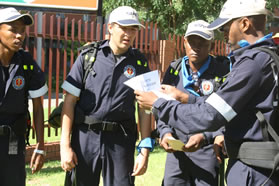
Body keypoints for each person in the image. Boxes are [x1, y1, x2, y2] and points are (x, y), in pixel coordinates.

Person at [135, 0, 279, 185]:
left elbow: (211, 114)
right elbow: (225, 107)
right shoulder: (268, 56)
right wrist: (185, 99)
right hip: (258, 167)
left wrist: (158, 104)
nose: (223, 33)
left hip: (255, 170)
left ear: (244, 23)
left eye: (226, 26)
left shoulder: (253, 63)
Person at [60, 6, 152, 186]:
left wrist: (144, 149)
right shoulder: (88, 57)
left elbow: (145, 109)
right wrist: (64, 146)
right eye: (123, 27)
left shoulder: (140, 62)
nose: (129, 33)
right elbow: (69, 102)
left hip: (121, 141)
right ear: (110, 27)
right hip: (85, 138)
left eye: (133, 29)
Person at [157, 20, 229, 186]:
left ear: (211, 45)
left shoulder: (223, 72)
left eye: (202, 43)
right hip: (176, 149)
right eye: (192, 42)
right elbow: (162, 106)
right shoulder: (174, 69)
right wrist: (165, 132)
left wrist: (207, 136)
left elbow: (227, 111)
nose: (195, 47)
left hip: (207, 150)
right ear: (184, 42)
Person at [0, 7, 47, 186]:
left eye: (22, 30)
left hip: (13, 142)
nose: (19, 35)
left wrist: (41, 146)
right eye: (13, 29)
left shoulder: (26, 63)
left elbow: (37, 106)